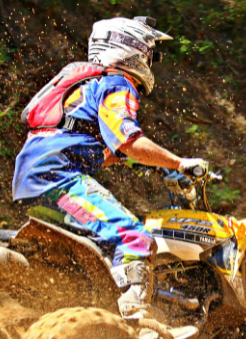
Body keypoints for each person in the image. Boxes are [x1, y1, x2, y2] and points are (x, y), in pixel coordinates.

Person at [12, 16, 207, 318]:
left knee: (98, 253)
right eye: (150, 55)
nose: (150, 62)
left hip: (32, 178)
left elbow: (82, 142)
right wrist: (180, 164)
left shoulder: (84, 83)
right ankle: (134, 322)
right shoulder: (117, 83)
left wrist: (127, 158)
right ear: (133, 50)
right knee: (135, 238)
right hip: (58, 177)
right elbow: (129, 140)